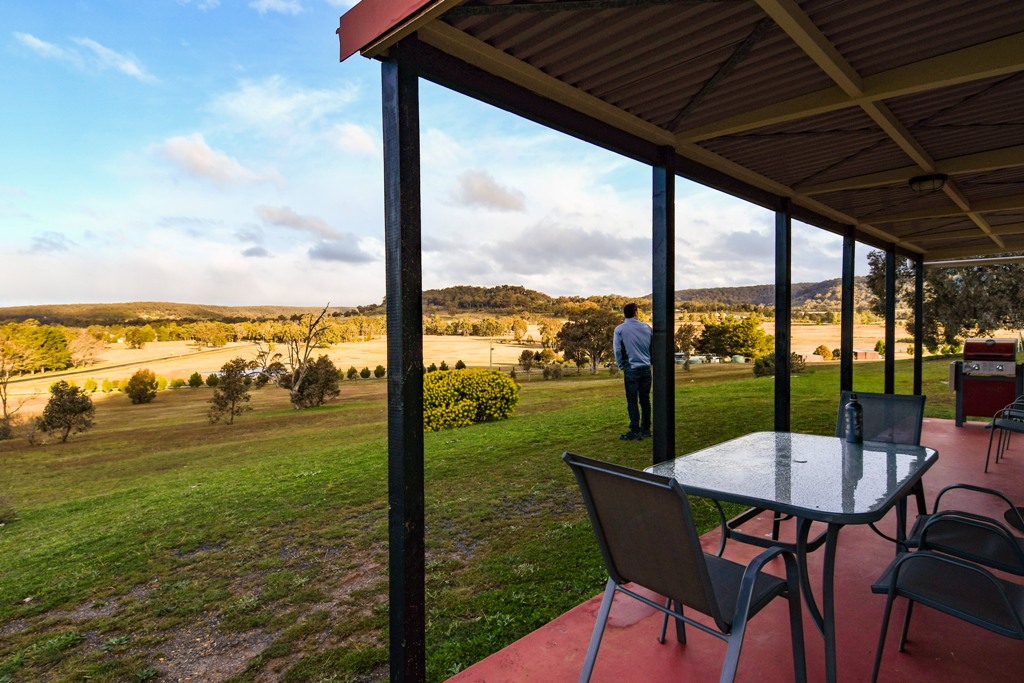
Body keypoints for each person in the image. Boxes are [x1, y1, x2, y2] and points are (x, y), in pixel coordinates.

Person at [613, 302, 653, 441]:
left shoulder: (620, 329)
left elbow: (618, 349)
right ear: (636, 313)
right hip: (646, 368)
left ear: (624, 314)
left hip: (631, 368)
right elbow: (652, 348)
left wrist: (621, 365)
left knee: (632, 401)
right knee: (645, 399)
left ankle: (635, 430)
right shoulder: (647, 328)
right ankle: (646, 429)